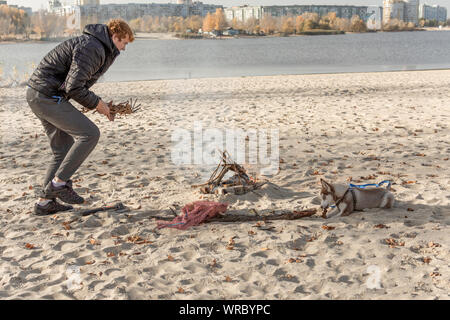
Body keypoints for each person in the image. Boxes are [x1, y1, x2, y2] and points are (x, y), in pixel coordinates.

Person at [26, 19, 134, 215]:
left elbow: (74, 84)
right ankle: (59, 184)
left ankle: (44, 204)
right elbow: (74, 86)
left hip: (39, 94)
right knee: (90, 134)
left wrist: (101, 105)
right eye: (123, 42)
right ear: (114, 36)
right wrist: (96, 104)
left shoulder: (95, 45)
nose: (124, 48)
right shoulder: (92, 47)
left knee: (63, 151)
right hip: (46, 96)